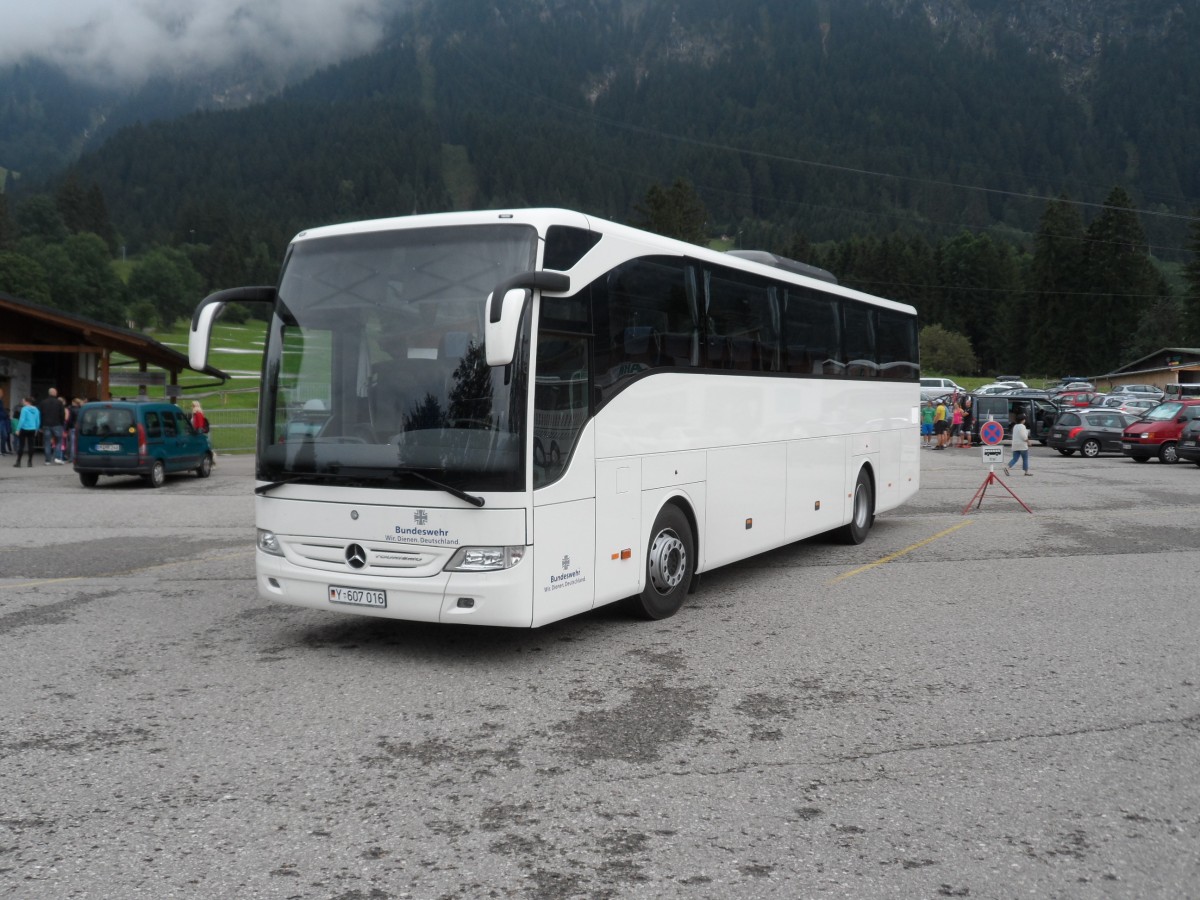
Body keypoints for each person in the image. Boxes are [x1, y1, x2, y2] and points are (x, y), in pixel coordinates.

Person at [38, 387, 66, 464]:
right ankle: (57, 458)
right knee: (59, 441)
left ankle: (47, 460)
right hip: (57, 424)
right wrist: (62, 423)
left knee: (47, 442)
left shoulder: (43, 402)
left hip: (46, 425)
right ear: (55, 393)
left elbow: (40, 415)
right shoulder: (59, 403)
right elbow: (62, 414)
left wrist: (40, 425)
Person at [14, 397, 40, 467]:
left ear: (27, 402)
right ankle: (30, 462)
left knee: (21, 445)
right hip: (32, 429)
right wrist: (36, 430)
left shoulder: (24, 409)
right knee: (31, 446)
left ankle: (18, 462)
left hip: (24, 428)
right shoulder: (36, 410)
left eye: (24, 401)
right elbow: (38, 421)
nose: (23, 402)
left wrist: (18, 429)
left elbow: (22, 419)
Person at [1003, 412, 1032, 477]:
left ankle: (1007, 468)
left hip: (1015, 445)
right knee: (1025, 458)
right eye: (1024, 419)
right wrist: (1028, 442)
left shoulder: (1015, 426)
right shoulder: (1022, 426)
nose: (1025, 420)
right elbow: (1023, 436)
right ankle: (1026, 472)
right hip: (1022, 446)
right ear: (1022, 420)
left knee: (1015, 459)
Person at [0, 388, 11, 455]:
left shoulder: (1, 401)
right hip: (1, 420)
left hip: (3, 420)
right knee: (4, 435)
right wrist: (5, 415)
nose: (2, 394)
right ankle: (2, 450)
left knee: (5, 435)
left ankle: (3, 450)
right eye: (1, 392)